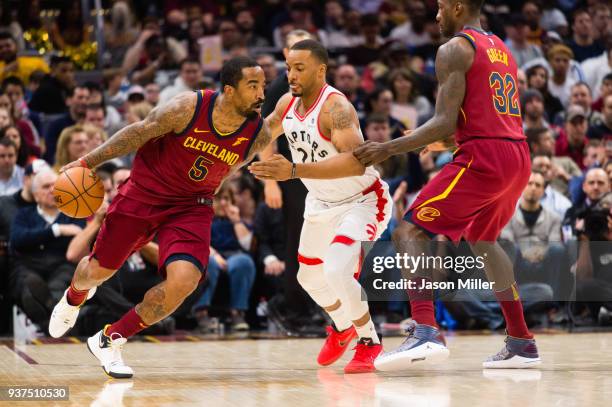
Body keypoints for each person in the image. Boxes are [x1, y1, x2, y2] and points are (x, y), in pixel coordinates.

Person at [48, 56, 271, 379]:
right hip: (144, 193)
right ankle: (73, 298)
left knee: (185, 280)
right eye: (253, 86)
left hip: (191, 206)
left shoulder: (257, 134)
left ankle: (110, 339)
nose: (261, 93)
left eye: (263, 86)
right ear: (229, 90)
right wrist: (87, 162)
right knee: (97, 271)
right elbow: (136, 134)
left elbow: (229, 169)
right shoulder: (187, 108)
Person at [354, 0, 540, 369]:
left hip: (484, 158)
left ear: (458, 6)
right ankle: (521, 341)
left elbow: (442, 121)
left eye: (441, 7)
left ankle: (424, 329)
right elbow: (479, 118)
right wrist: (442, 139)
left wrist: (385, 148)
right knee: (484, 241)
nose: (437, 16)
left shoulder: (453, 49)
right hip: (516, 155)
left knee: (409, 230)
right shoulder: (501, 48)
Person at [249, 39, 392, 374]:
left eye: (299, 68)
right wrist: (221, 167)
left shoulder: (336, 109)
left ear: (321, 69)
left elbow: (356, 163)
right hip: (321, 201)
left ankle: (368, 340)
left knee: (337, 268)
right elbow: (260, 138)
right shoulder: (286, 104)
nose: (291, 76)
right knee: (309, 277)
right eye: (288, 69)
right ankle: (343, 327)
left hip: (362, 200)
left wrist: (294, 171)